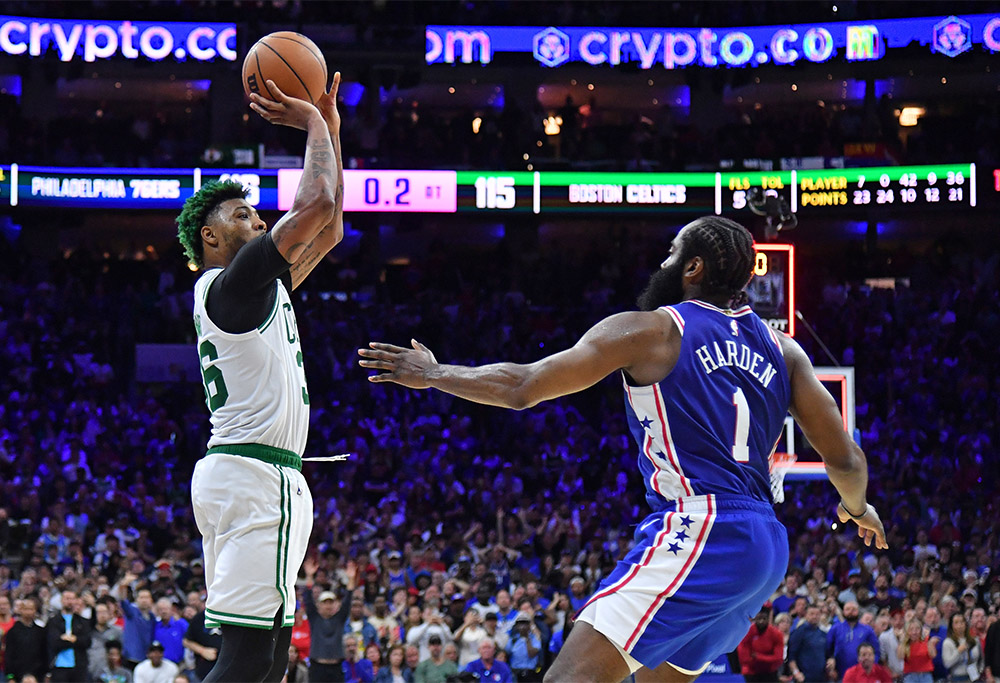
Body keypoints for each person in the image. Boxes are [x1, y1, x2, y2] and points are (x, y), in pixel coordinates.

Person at [359, 215, 887, 683]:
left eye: (672, 253)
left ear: (694, 267)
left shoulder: (655, 329)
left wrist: (434, 374)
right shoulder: (785, 350)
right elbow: (847, 460)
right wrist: (857, 509)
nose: (663, 262)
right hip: (767, 547)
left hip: (702, 527)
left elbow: (524, 386)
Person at [175, 68, 344, 683]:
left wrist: (331, 131)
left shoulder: (250, 290)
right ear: (213, 237)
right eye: (247, 217)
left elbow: (331, 227)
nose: (262, 222)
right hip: (255, 476)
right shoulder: (235, 281)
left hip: (242, 475)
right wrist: (312, 123)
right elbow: (317, 203)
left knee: (268, 657)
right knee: (250, 660)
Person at [303, 561, 359, 683]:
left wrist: (351, 579)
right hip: (317, 666)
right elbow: (308, 599)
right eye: (325, 602)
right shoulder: (314, 618)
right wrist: (309, 576)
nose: (328, 605)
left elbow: (348, 600)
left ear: (335, 604)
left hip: (335, 666)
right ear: (319, 605)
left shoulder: (339, 619)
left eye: (330, 602)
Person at [47, 588, 92, 682]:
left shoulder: (83, 622)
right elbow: (54, 643)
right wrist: (74, 640)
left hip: (79, 666)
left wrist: (69, 639)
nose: (70, 601)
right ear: (61, 600)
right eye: (67, 598)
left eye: (72, 599)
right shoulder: (53, 621)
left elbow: (87, 642)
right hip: (59, 666)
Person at [826, 602, 880, 680]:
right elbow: (828, 650)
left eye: (854, 609)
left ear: (858, 611)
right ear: (843, 611)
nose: (850, 612)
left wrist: (871, 669)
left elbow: (876, 652)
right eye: (847, 609)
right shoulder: (835, 629)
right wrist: (831, 669)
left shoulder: (867, 630)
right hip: (840, 674)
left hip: (863, 675)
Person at [3, 598, 47, 680]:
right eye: (26, 609)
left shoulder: (41, 632)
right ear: (20, 610)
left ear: (35, 610)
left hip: (37, 675)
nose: (29, 612)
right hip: (17, 675)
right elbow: (9, 655)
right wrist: (10, 676)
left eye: (31, 609)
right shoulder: (12, 632)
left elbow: (44, 654)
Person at [738, 608, 784, 683]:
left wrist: (758, 657)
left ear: (768, 619)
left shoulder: (776, 634)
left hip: (769, 672)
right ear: (755, 618)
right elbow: (744, 659)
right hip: (751, 672)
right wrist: (767, 659)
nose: (761, 621)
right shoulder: (747, 632)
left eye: (764, 619)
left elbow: (778, 658)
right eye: (759, 618)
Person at [786, 604, 826, 683]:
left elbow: (827, 654)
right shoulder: (798, 632)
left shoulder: (823, 634)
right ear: (806, 615)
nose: (814, 616)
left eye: (817, 614)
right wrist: (796, 672)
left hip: (820, 677)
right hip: (803, 677)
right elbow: (791, 656)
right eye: (811, 614)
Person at [941, 612, 982, 683]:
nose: (959, 626)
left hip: (974, 678)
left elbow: (981, 658)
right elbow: (947, 664)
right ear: (952, 626)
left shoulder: (975, 640)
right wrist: (958, 651)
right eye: (956, 623)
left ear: (965, 624)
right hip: (957, 678)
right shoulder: (948, 642)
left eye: (962, 622)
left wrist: (980, 670)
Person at [89, 601, 125, 680]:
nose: (102, 615)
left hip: (110, 674)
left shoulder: (117, 631)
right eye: (99, 612)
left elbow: (122, 652)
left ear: (109, 614)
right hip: (90, 671)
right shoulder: (88, 632)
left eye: (105, 612)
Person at [898, 618, 938, 683]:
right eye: (911, 629)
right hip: (910, 676)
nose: (914, 632)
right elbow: (900, 656)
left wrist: (930, 644)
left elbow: (933, 655)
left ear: (921, 630)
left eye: (917, 629)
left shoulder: (927, 641)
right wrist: (902, 641)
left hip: (926, 675)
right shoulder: (904, 644)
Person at [506, 613, 542, 681]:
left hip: (530, 674)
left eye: (525, 623)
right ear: (516, 626)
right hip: (515, 674)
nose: (522, 626)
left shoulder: (535, 639)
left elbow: (532, 654)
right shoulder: (513, 640)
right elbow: (505, 654)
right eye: (520, 623)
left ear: (529, 625)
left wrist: (527, 638)